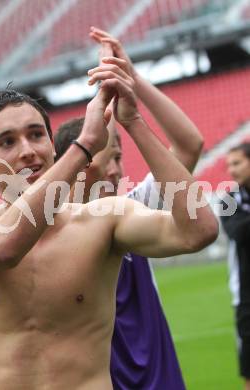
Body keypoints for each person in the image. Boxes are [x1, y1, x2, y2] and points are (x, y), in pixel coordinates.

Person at [0, 56, 218, 389]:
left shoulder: (103, 219)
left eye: (36, 135)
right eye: (7, 142)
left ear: (51, 145)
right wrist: (84, 146)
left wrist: (133, 121)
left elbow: (199, 232)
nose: (28, 150)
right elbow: (2, 249)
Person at [87, 26, 206, 389]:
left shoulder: (133, 207)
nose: (115, 169)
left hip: (161, 379)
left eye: (119, 157)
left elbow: (188, 145)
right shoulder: (58, 227)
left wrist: (133, 78)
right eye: (102, 158)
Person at [222, 142, 250, 390]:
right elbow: (240, 232)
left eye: (237, 163)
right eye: (229, 164)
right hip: (247, 297)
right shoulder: (229, 200)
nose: (231, 170)